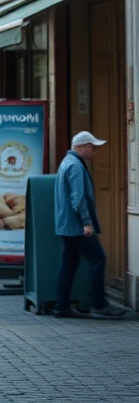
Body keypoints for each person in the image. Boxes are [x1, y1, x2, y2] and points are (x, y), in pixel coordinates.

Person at [52, 131, 126, 319]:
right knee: (98, 258)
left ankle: (61, 306)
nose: (95, 152)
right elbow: (78, 198)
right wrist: (87, 223)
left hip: (67, 225)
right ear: (82, 146)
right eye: (93, 147)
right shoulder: (76, 166)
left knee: (68, 263)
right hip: (77, 226)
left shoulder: (66, 162)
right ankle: (99, 304)